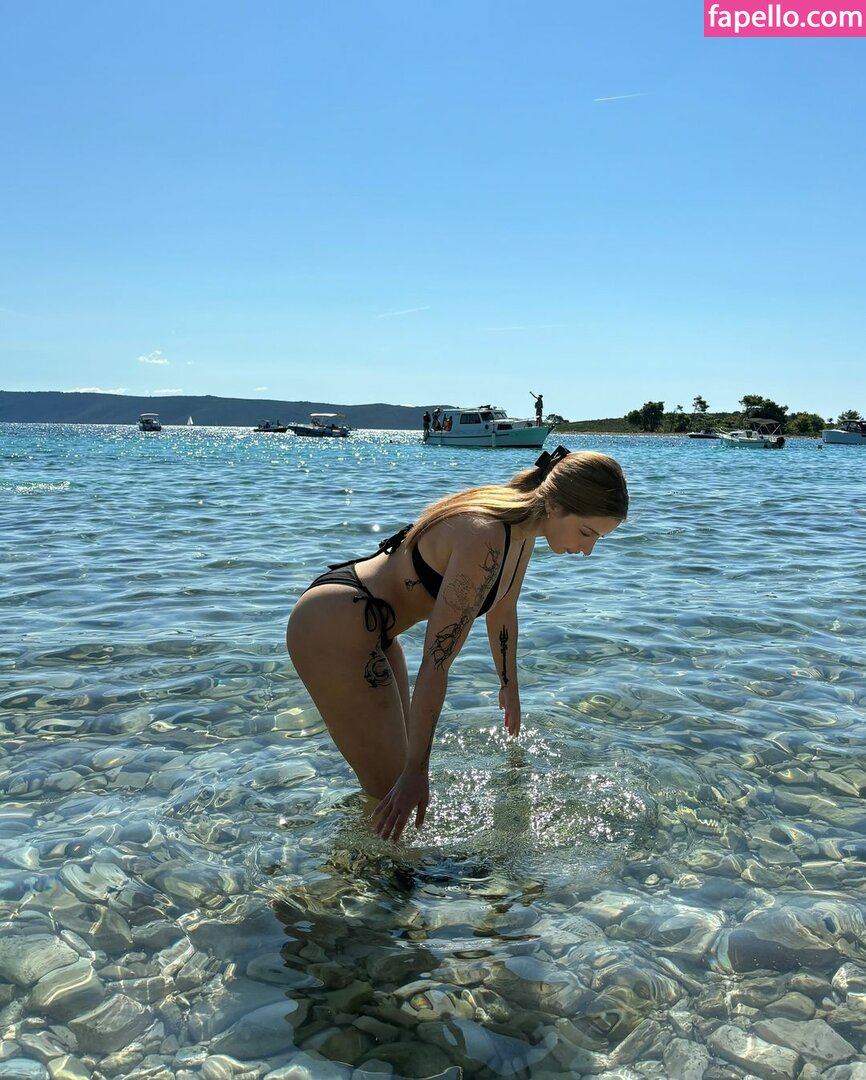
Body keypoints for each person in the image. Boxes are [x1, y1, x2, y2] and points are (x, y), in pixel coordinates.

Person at [286, 446, 628, 842]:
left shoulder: (521, 531)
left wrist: (509, 687)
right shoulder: (486, 534)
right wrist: (418, 772)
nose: (588, 550)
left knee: (393, 785)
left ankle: (376, 866)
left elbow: (503, 609)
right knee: (392, 788)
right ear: (554, 505)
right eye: (587, 533)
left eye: (597, 538)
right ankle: (357, 873)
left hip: (375, 627)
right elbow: (436, 662)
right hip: (334, 622)